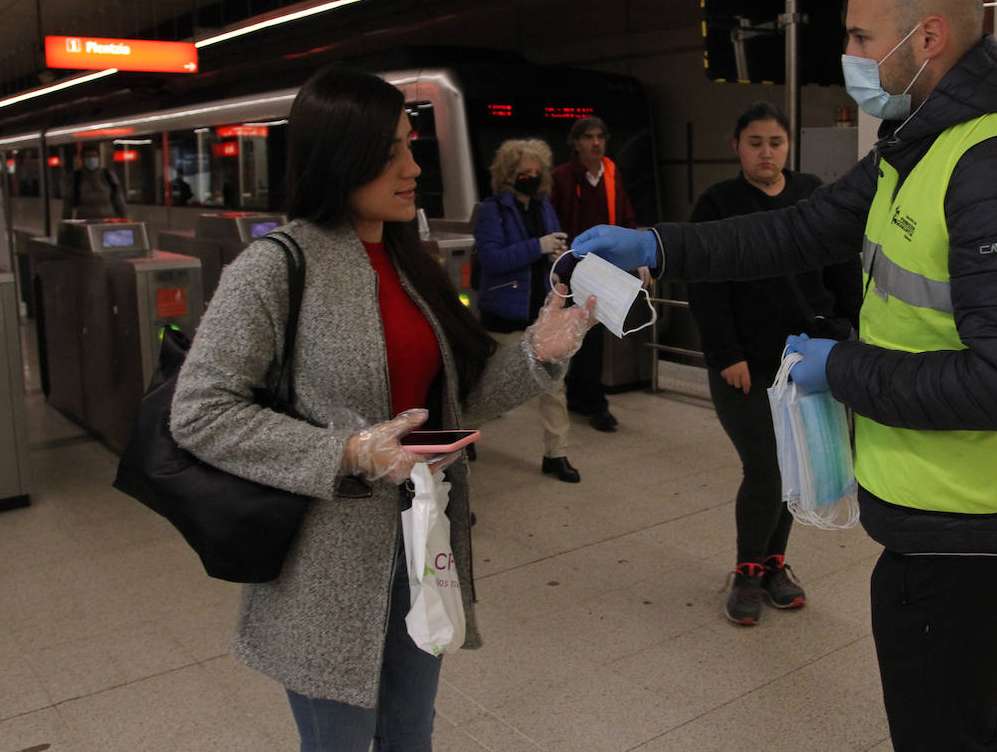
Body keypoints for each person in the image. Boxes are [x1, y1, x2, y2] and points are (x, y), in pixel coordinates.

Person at [573, 0, 997, 750]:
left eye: (862, 36)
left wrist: (840, 367)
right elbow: (800, 228)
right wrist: (660, 246)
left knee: (944, 727)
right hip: (945, 506)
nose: (850, 57)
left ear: (929, 38)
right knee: (985, 709)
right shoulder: (918, 145)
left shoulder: (992, 167)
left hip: (971, 519)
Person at [169, 62, 596, 751]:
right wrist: (347, 451)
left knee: (410, 733)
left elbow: (454, 406)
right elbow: (200, 411)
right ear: (341, 156)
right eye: (392, 148)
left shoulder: (410, 263)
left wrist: (538, 354)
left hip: (423, 544)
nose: (412, 165)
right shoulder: (275, 267)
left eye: (411, 144)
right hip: (323, 568)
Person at [687, 101, 860, 626]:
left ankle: (774, 565)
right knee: (765, 467)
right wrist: (726, 354)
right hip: (747, 362)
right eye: (755, 142)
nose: (766, 152)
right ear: (737, 146)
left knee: (796, 466)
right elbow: (705, 284)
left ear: (789, 148)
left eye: (776, 143)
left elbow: (842, 265)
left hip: (807, 358)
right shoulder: (718, 203)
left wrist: (849, 331)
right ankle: (746, 572)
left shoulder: (812, 194)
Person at [473, 138, 579, 483]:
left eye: (537, 171)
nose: (531, 177)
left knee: (553, 385)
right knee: (487, 383)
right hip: (505, 312)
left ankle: (556, 453)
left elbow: (550, 250)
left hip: (542, 310)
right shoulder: (492, 210)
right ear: (508, 174)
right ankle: (464, 434)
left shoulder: (544, 207)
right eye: (524, 172)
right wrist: (537, 246)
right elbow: (491, 258)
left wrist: (555, 253)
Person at [550, 115, 644, 433]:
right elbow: (556, 220)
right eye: (588, 137)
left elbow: (626, 218)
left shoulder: (612, 174)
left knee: (595, 335)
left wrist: (637, 252)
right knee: (580, 336)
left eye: (600, 137)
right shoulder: (562, 178)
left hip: (605, 268)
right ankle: (591, 400)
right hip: (573, 269)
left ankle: (588, 398)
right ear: (575, 143)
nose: (595, 143)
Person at [62, 149, 127, 218]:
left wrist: (123, 217)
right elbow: (67, 204)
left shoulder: (108, 175)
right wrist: (66, 222)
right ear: (82, 159)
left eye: (94, 156)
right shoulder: (75, 178)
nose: (91, 159)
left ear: (98, 158)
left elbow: (118, 199)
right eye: (87, 157)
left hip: (107, 219)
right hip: (84, 220)